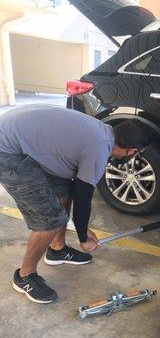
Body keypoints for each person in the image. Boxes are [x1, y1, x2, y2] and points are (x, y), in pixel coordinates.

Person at [0, 105, 152, 304]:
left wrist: (83, 228)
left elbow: (76, 190)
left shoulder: (103, 130)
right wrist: (83, 237)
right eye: (137, 154)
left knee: (63, 191)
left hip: (16, 135)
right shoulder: (98, 149)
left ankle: (57, 250)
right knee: (50, 219)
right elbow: (84, 197)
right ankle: (25, 276)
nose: (135, 156)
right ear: (132, 150)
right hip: (7, 151)